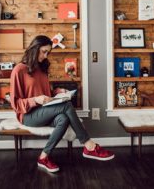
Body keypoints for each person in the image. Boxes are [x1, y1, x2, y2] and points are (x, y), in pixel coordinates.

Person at [10, 35, 114, 173]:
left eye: (48, 52)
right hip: (28, 115)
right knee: (66, 106)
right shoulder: (19, 70)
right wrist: (35, 100)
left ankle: (44, 157)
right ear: (34, 49)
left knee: (63, 119)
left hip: (44, 111)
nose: (46, 55)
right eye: (43, 51)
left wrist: (58, 92)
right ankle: (88, 145)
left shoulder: (42, 69)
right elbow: (15, 103)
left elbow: (45, 93)